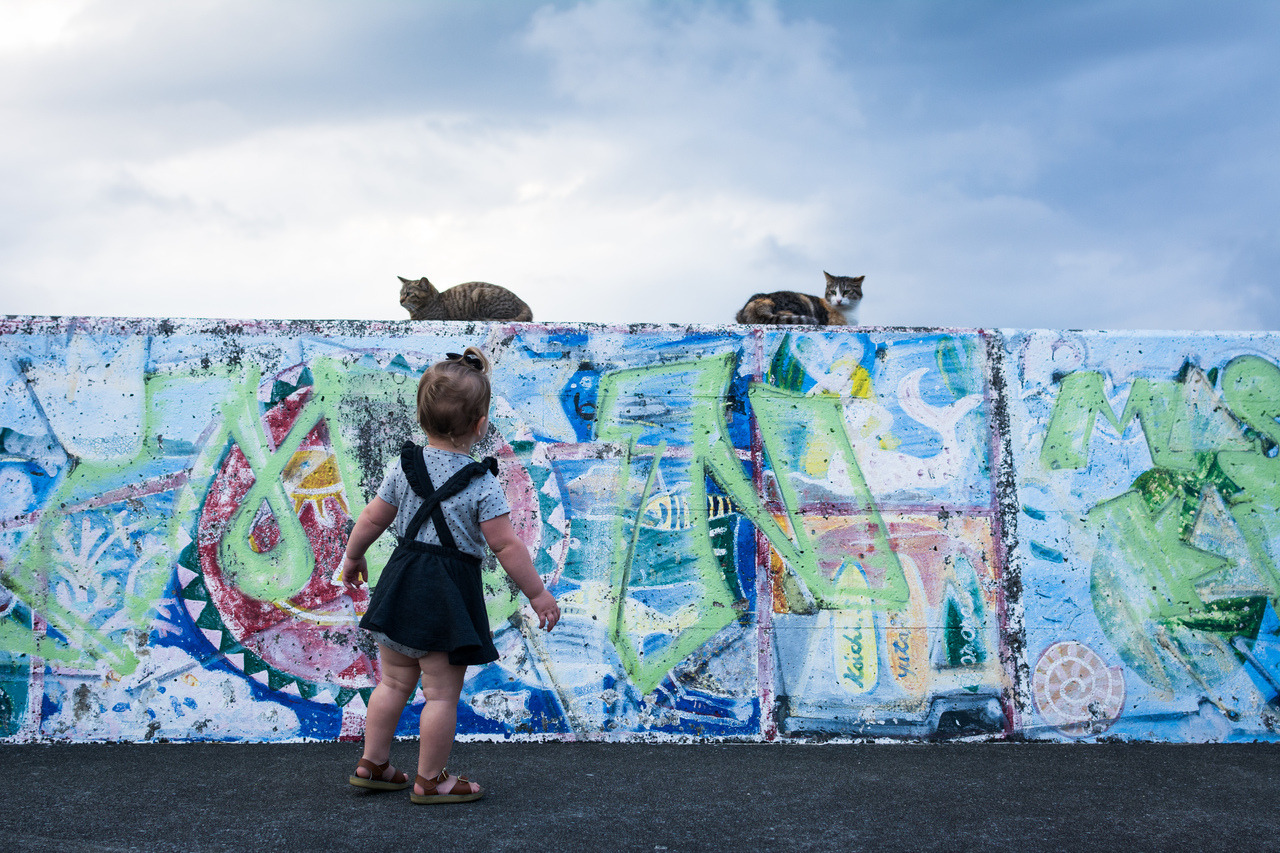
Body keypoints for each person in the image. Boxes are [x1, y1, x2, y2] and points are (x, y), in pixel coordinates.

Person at [341, 346, 559, 804]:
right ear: (480, 425)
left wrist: (353, 557)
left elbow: (373, 518)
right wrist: (537, 594)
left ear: (421, 416)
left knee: (392, 683)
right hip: (446, 595)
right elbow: (505, 546)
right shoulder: (482, 482)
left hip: (401, 583)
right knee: (440, 695)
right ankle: (430, 780)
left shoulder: (404, 466)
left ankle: (373, 764)